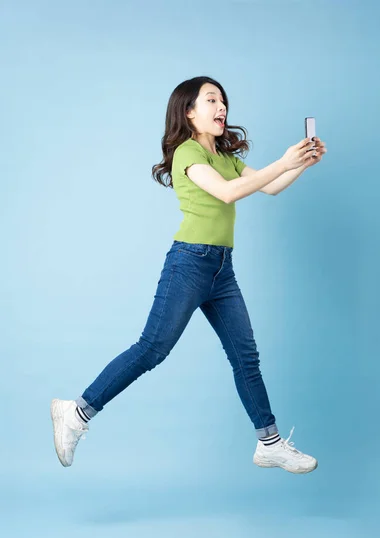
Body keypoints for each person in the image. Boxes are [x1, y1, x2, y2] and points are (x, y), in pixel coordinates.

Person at [51, 76, 327, 473]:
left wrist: (300, 164)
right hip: (189, 264)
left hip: (221, 269)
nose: (222, 107)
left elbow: (269, 188)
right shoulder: (186, 153)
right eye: (211, 99)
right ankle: (76, 413)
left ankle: (269, 442)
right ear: (189, 111)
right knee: (152, 349)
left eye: (223, 100)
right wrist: (283, 161)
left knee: (245, 357)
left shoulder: (226, 156)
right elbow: (229, 193)